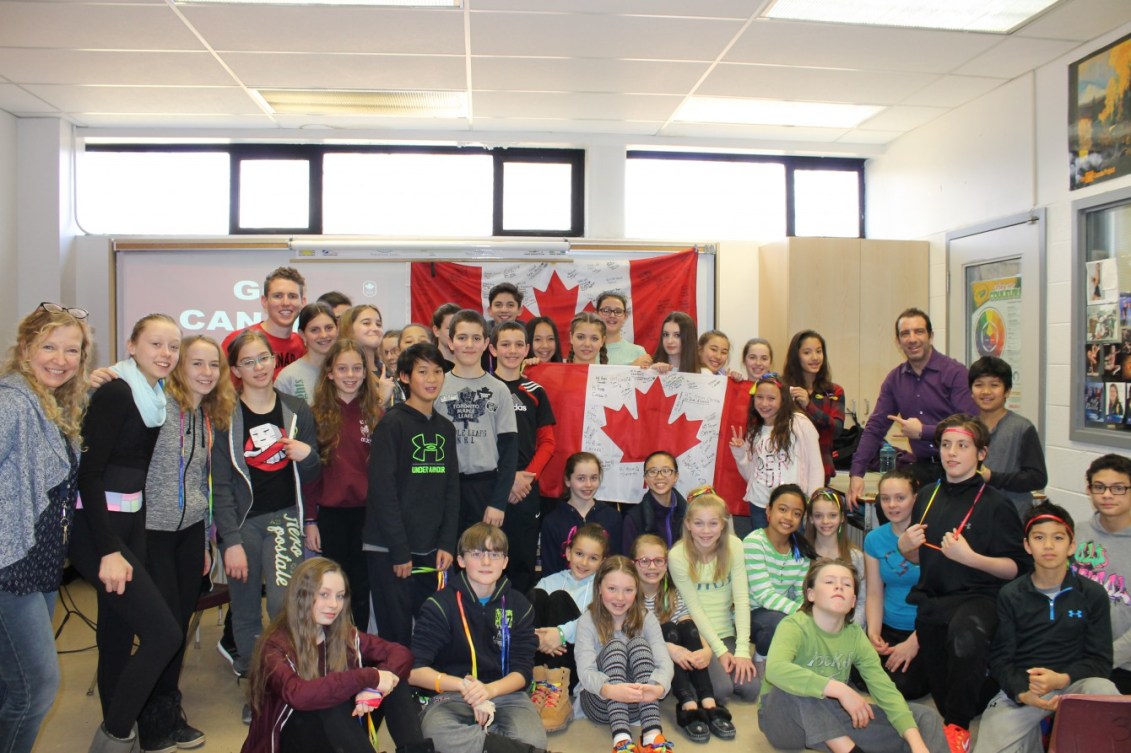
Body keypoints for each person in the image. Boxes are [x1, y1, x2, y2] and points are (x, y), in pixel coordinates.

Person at [71, 314, 184, 753]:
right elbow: (90, 474)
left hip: (128, 525)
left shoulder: (153, 396)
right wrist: (109, 549)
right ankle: (116, 734)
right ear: (131, 345)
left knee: (117, 632)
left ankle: (116, 727)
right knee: (164, 634)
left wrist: (132, 542)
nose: (166, 354)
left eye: (172, 346)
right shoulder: (117, 391)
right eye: (155, 343)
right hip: (97, 529)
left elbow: (135, 479)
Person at [896, 414, 1030, 753]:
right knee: (947, 693)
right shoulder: (926, 495)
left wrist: (972, 558)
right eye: (945, 445)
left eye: (962, 445)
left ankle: (958, 726)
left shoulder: (996, 505)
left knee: (965, 637)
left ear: (981, 453)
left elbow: (1018, 568)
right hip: (933, 599)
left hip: (978, 599)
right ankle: (970, 708)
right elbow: (919, 558)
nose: (951, 453)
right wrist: (905, 549)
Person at [137, 335, 235, 752]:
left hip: (191, 534)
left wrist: (209, 540)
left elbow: (201, 483)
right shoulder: (159, 407)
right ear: (179, 366)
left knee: (176, 626)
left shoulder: (207, 415)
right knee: (160, 630)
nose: (206, 373)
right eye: (197, 363)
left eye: (213, 365)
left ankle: (166, 712)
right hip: (152, 533)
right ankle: (148, 718)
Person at [0, 304, 90, 753]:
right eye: (48, 347)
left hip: (41, 563)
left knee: (9, 684)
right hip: (10, 566)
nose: (60, 359)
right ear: (24, 349)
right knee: (36, 688)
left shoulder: (50, 403)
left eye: (71, 350)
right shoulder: (12, 402)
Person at [212, 329, 321, 694]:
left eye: (264, 358)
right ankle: (255, 685)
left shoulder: (296, 409)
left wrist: (307, 457)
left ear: (275, 361)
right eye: (248, 362)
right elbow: (222, 485)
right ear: (236, 371)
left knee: (281, 604)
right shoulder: (225, 416)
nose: (259, 367)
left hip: (285, 518)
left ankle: (283, 680)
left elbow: (314, 473)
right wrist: (230, 542)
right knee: (244, 610)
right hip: (243, 525)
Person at [242, 557, 433, 753]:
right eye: (324, 594)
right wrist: (368, 677)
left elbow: (401, 653)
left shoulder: (341, 633)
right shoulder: (275, 645)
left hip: (339, 734)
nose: (334, 604)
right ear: (301, 596)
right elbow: (298, 694)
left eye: (340, 596)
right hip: (290, 740)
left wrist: (375, 688)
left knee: (394, 681)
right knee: (330, 698)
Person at [759, 559, 945, 753]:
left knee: (923, 717)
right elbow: (775, 670)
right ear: (811, 594)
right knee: (794, 688)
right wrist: (840, 689)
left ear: (853, 601)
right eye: (830, 582)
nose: (839, 586)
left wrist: (917, 745)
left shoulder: (855, 635)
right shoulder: (794, 626)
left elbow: (883, 688)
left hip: (832, 716)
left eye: (847, 584)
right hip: (783, 720)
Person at [973, 503, 1117, 753]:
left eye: (1058, 538)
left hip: (1074, 684)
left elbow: (1100, 661)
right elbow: (1000, 660)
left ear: (1071, 545)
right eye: (1039, 538)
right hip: (1028, 689)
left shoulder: (1092, 594)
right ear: (1027, 546)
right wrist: (1022, 692)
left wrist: (1062, 678)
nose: (1048, 546)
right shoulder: (1010, 594)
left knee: (1103, 690)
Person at [409, 523, 553, 753]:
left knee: (535, 739)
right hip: (451, 695)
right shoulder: (439, 605)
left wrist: (489, 691)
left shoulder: (520, 606)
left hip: (506, 694)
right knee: (437, 733)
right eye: (477, 554)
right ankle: (504, 747)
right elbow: (415, 671)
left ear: (505, 562)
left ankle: (491, 745)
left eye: (495, 554)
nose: (486, 562)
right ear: (461, 560)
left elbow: (523, 672)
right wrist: (465, 687)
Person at [363, 342, 459, 648]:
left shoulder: (445, 428)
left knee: (433, 629)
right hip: (390, 550)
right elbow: (383, 491)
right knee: (396, 635)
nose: (431, 379)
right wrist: (399, 550)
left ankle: (426, 691)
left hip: (431, 549)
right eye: (422, 372)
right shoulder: (392, 424)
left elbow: (451, 489)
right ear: (404, 376)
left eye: (437, 371)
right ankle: (396, 694)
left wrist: (446, 542)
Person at [848, 308, 979, 509]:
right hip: (922, 467)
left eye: (919, 332)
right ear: (898, 342)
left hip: (958, 467)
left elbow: (969, 426)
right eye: (905, 334)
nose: (912, 339)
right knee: (887, 508)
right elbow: (875, 427)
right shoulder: (895, 380)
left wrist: (923, 431)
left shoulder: (955, 373)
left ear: (930, 336)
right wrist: (857, 473)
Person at [306, 339, 383, 631]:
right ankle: (332, 651)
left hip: (367, 515)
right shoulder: (314, 416)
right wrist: (310, 519)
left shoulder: (377, 415)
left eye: (356, 368)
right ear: (329, 373)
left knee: (361, 588)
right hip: (330, 515)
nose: (350, 375)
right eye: (342, 368)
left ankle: (358, 648)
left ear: (365, 372)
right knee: (332, 587)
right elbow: (310, 474)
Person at [632, 535, 733, 743]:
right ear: (634, 563)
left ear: (666, 563)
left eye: (658, 560)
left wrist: (706, 650)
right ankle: (687, 703)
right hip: (646, 656)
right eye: (644, 561)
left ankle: (708, 701)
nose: (652, 566)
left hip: (677, 654)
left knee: (685, 625)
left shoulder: (671, 593)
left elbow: (690, 625)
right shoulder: (630, 595)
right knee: (667, 628)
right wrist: (668, 648)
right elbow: (631, 636)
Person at [574, 555, 675, 753]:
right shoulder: (588, 620)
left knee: (638, 643)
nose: (620, 598)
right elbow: (585, 672)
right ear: (599, 588)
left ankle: (652, 736)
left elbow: (665, 663)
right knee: (615, 647)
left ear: (637, 591)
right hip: (600, 701)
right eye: (612, 589)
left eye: (628, 590)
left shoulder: (647, 617)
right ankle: (621, 740)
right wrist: (610, 690)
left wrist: (658, 687)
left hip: (639, 702)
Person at [667, 488, 759, 703]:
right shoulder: (677, 555)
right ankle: (684, 673)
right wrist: (719, 651)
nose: (705, 531)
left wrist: (743, 651)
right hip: (695, 635)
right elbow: (694, 608)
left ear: (724, 524)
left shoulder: (735, 546)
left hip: (725, 632)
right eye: (698, 523)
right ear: (688, 524)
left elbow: (742, 600)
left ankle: (713, 667)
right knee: (721, 691)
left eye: (713, 523)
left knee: (750, 689)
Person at [435, 309, 518, 532]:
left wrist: (498, 503)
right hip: (444, 486)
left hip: (485, 489)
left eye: (476, 338)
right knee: (446, 557)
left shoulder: (499, 389)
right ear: (451, 342)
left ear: (486, 343)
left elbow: (509, 453)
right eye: (462, 338)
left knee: (482, 554)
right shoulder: (437, 386)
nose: (469, 344)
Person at [489, 321, 556, 593]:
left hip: (526, 489)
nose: (512, 350)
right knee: (487, 558)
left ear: (527, 348)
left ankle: (518, 630)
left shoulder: (536, 392)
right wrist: (506, 480)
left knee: (522, 563)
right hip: (491, 488)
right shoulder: (483, 389)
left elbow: (548, 443)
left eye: (519, 344)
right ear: (492, 349)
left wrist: (526, 478)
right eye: (505, 344)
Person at [529, 523, 608, 731]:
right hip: (542, 656)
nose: (584, 562)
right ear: (568, 552)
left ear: (603, 562)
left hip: (575, 665)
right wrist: (542, 639)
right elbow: (528, 620)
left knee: (559, 599)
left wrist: (560, 634)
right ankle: (539, 685)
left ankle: (558, 691)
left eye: (593, 558)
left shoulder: (602, 589)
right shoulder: (549, 581)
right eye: (579, 554)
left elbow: (597, 621)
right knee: (537, 596)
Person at [864, 469, 928, 701]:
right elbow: (874, 591)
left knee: (905, 687)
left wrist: (915, 641)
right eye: (885, 498)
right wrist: (873, 632)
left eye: (900, 498)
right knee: (854, 672)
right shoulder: (874, 539)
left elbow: (943, 597)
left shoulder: (931, 537)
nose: (891, 505)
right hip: (890, 626)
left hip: (923, 629)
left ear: (915, 498)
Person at [729, 372, 823, 531]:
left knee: (792, 553)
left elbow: (815, 467)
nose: (764, 403)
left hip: (791, 507)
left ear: (783, 400)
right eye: (759, 397)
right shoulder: (755, 430)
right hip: (759, 506)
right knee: (763, 553)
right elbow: (751, 475)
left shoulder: (799, 423)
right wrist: (740, 453)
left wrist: (814, 503)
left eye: (771, 398)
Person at [1073, 453, 1131, 694]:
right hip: (1072, 654)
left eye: (1118, 488)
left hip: (1122, 663)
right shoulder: (1074, 535)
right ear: (1089, 490)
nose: (1107, 495)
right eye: (1099, 487)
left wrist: (1100, 660)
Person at [967, 356, 1047, 520]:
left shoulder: (1022, 428)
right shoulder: (966, 428)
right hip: (973, 515)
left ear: (1007, 391)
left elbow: (1037, 478)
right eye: (979, 385)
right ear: (971, 392)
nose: (986, 392)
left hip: (1012, 516)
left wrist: (992, 477)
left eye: (994, 385)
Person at [741, 484, 813, 666]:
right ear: (769, 510)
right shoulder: (754, 543)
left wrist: (806, 615)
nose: (789, 518)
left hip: (782, 611)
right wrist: (803, 615)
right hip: (749, 613)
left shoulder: (800, 550)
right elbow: (764, 596)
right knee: (778, 623)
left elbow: (800, 594)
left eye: (796, 514)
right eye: (783, 509)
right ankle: (761, 661)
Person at [540, 452, 623, 576]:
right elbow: (550, 571)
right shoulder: (552, 521)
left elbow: (617, 563)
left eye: (593, 478)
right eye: (581, 478)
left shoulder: (612, 517)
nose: (588, 484)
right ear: (568, 480)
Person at [783, 330, 845, 485]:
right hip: (788, 466)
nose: (815, 357)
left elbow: (837, 430)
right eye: (807, 352)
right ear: (796, 356)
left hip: (822, 467)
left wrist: (808, 405)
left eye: (819, 351)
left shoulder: (833, 391)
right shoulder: (784, 389)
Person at [222, 266, 307, 377]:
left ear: (303, 302)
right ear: (264, 301)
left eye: (292, 296)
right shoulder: (236, 341)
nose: (286, 302)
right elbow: (221, 390)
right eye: (278, 296)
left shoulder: (304, 345)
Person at [804, 488, 866, 627]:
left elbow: (862, 601)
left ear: (842, 517)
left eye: (832, 515)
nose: (826, 521)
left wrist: (848, 629)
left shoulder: (856, 557)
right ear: (811, 519)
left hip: (846, 630)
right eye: (819, 515)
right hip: (810, 630)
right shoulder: (801, 555)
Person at [622, 451, 688, 552]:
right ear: (645, 478)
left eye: (666, 470)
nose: (659, 477)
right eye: (652, 471)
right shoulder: (633, 519)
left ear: (676, 476)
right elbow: (627, 563)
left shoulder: (689, 514)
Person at [275, 302, 338, 404]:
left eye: (329, 328)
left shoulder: (349, 370)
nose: (323, 335)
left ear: (337, 329)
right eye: (314, 330)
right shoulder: (288, 377)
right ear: (302, 335)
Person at [596, 292, 651, 367]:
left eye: (618, 311)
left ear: (625, 317)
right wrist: (632, 368)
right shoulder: (585, 350)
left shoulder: (638, 352)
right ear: (596, 314)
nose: (612, 315)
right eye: (606, 310)